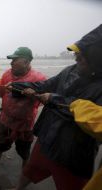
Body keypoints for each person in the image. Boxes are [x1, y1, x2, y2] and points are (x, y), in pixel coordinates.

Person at [10, 25, 102, 190]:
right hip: (47, 138)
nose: (75, 60)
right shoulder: (70, 70)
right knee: (30, 169)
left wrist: (54, 99)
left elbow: (93, 117)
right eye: (76, 55)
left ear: (96, 58)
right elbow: (45, 85)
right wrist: (18, 87)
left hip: (73, 154)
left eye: (81, 58)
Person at [0, 47, 46, 174]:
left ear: (26, 62)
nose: (11, 63)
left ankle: (22, 178)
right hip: (5, 120)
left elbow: (46, 99)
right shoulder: (7, 74)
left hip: (25, 124)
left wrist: (34, 95)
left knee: (25, 153)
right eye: (11, 60)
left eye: (15, 60)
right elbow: (0, 91)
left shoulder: (39, 78)